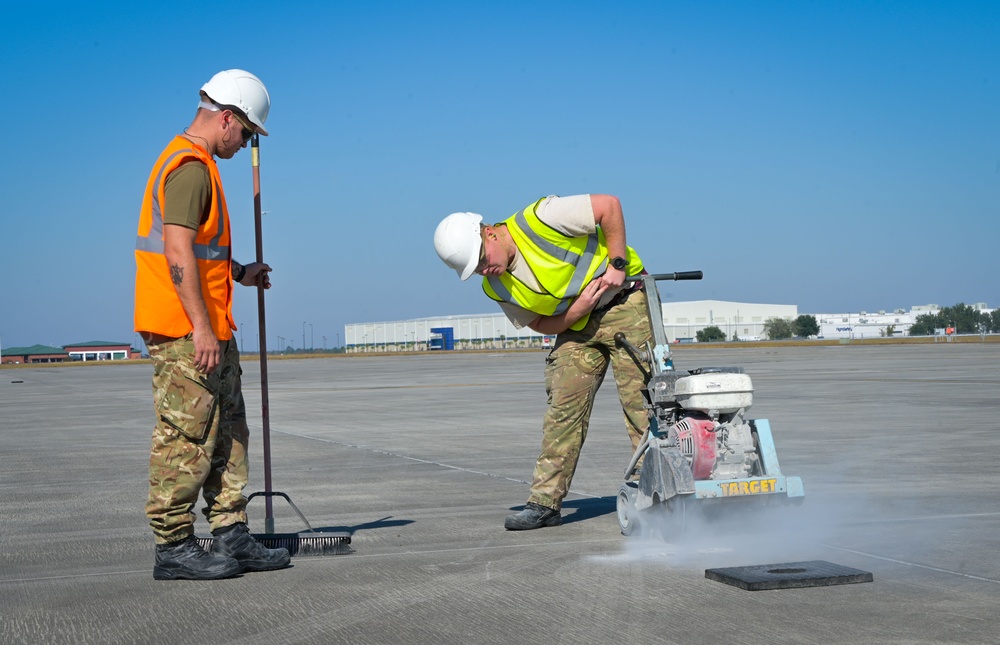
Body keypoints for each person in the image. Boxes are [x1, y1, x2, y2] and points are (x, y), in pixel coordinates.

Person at [134, 69, 291, 579]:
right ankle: (174, 547)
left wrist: (241, 273)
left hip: (211, 329)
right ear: (226, 119)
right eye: (245, 133)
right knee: (186, 436)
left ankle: (230, 532)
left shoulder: (202, 165)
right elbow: (176, 251)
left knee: (228, 433)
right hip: (185, 333)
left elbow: (202, 255)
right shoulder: (188, 167)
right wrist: (201, 329)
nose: (245, 142)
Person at [433, 194, 653, 530]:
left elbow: (609, 206)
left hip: (624, 302)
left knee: (643, 403)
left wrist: (617, 265)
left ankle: (652, 493)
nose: (484, 270)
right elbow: (538, 323)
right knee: (562, 410)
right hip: (577, 326)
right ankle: (544, 504)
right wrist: (576, 312)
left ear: (489, 233)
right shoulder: (496, 285)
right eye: (475, 269)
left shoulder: (540, 219)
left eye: (481, 259)